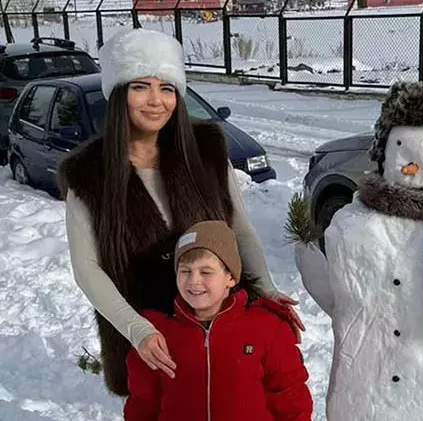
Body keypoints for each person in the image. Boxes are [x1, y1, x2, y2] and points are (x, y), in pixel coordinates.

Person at [58, 28, 304, 397]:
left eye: (167, 88)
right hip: (149, 342)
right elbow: (87, 268)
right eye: (141, 86)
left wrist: (265, 287)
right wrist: (137, 329)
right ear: (119, 94)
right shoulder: (87, 173)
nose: (156, 100)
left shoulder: (205, 152)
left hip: (220, 327)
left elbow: (239, 229)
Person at [124, 220, 313, 421]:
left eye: (205, 272)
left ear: (230, 277)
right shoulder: (157, 334)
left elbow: (290, 398)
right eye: (185, 271)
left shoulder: (266, 327)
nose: (194, 280)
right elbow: (143, 404)